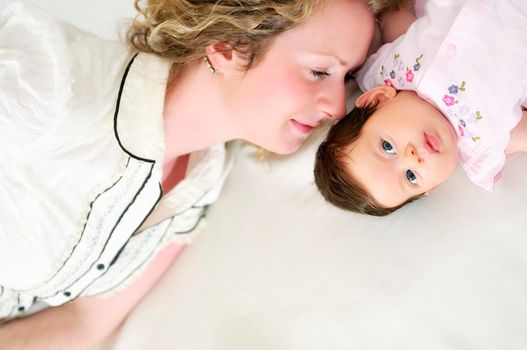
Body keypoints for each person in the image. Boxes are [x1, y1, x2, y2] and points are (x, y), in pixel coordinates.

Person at [0, 0, 405, 348]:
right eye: (319, 71)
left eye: (348, 77)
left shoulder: (202, 182)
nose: (337, 107)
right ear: (229, 45)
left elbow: (85, 321)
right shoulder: (51, 80)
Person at [314, 0, 527, 216]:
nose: (412, 158)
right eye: (411, 177)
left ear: (376, 101)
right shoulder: (484, 140)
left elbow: (392, 11)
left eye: (387, 147)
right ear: (432, 187)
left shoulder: (391, 71)